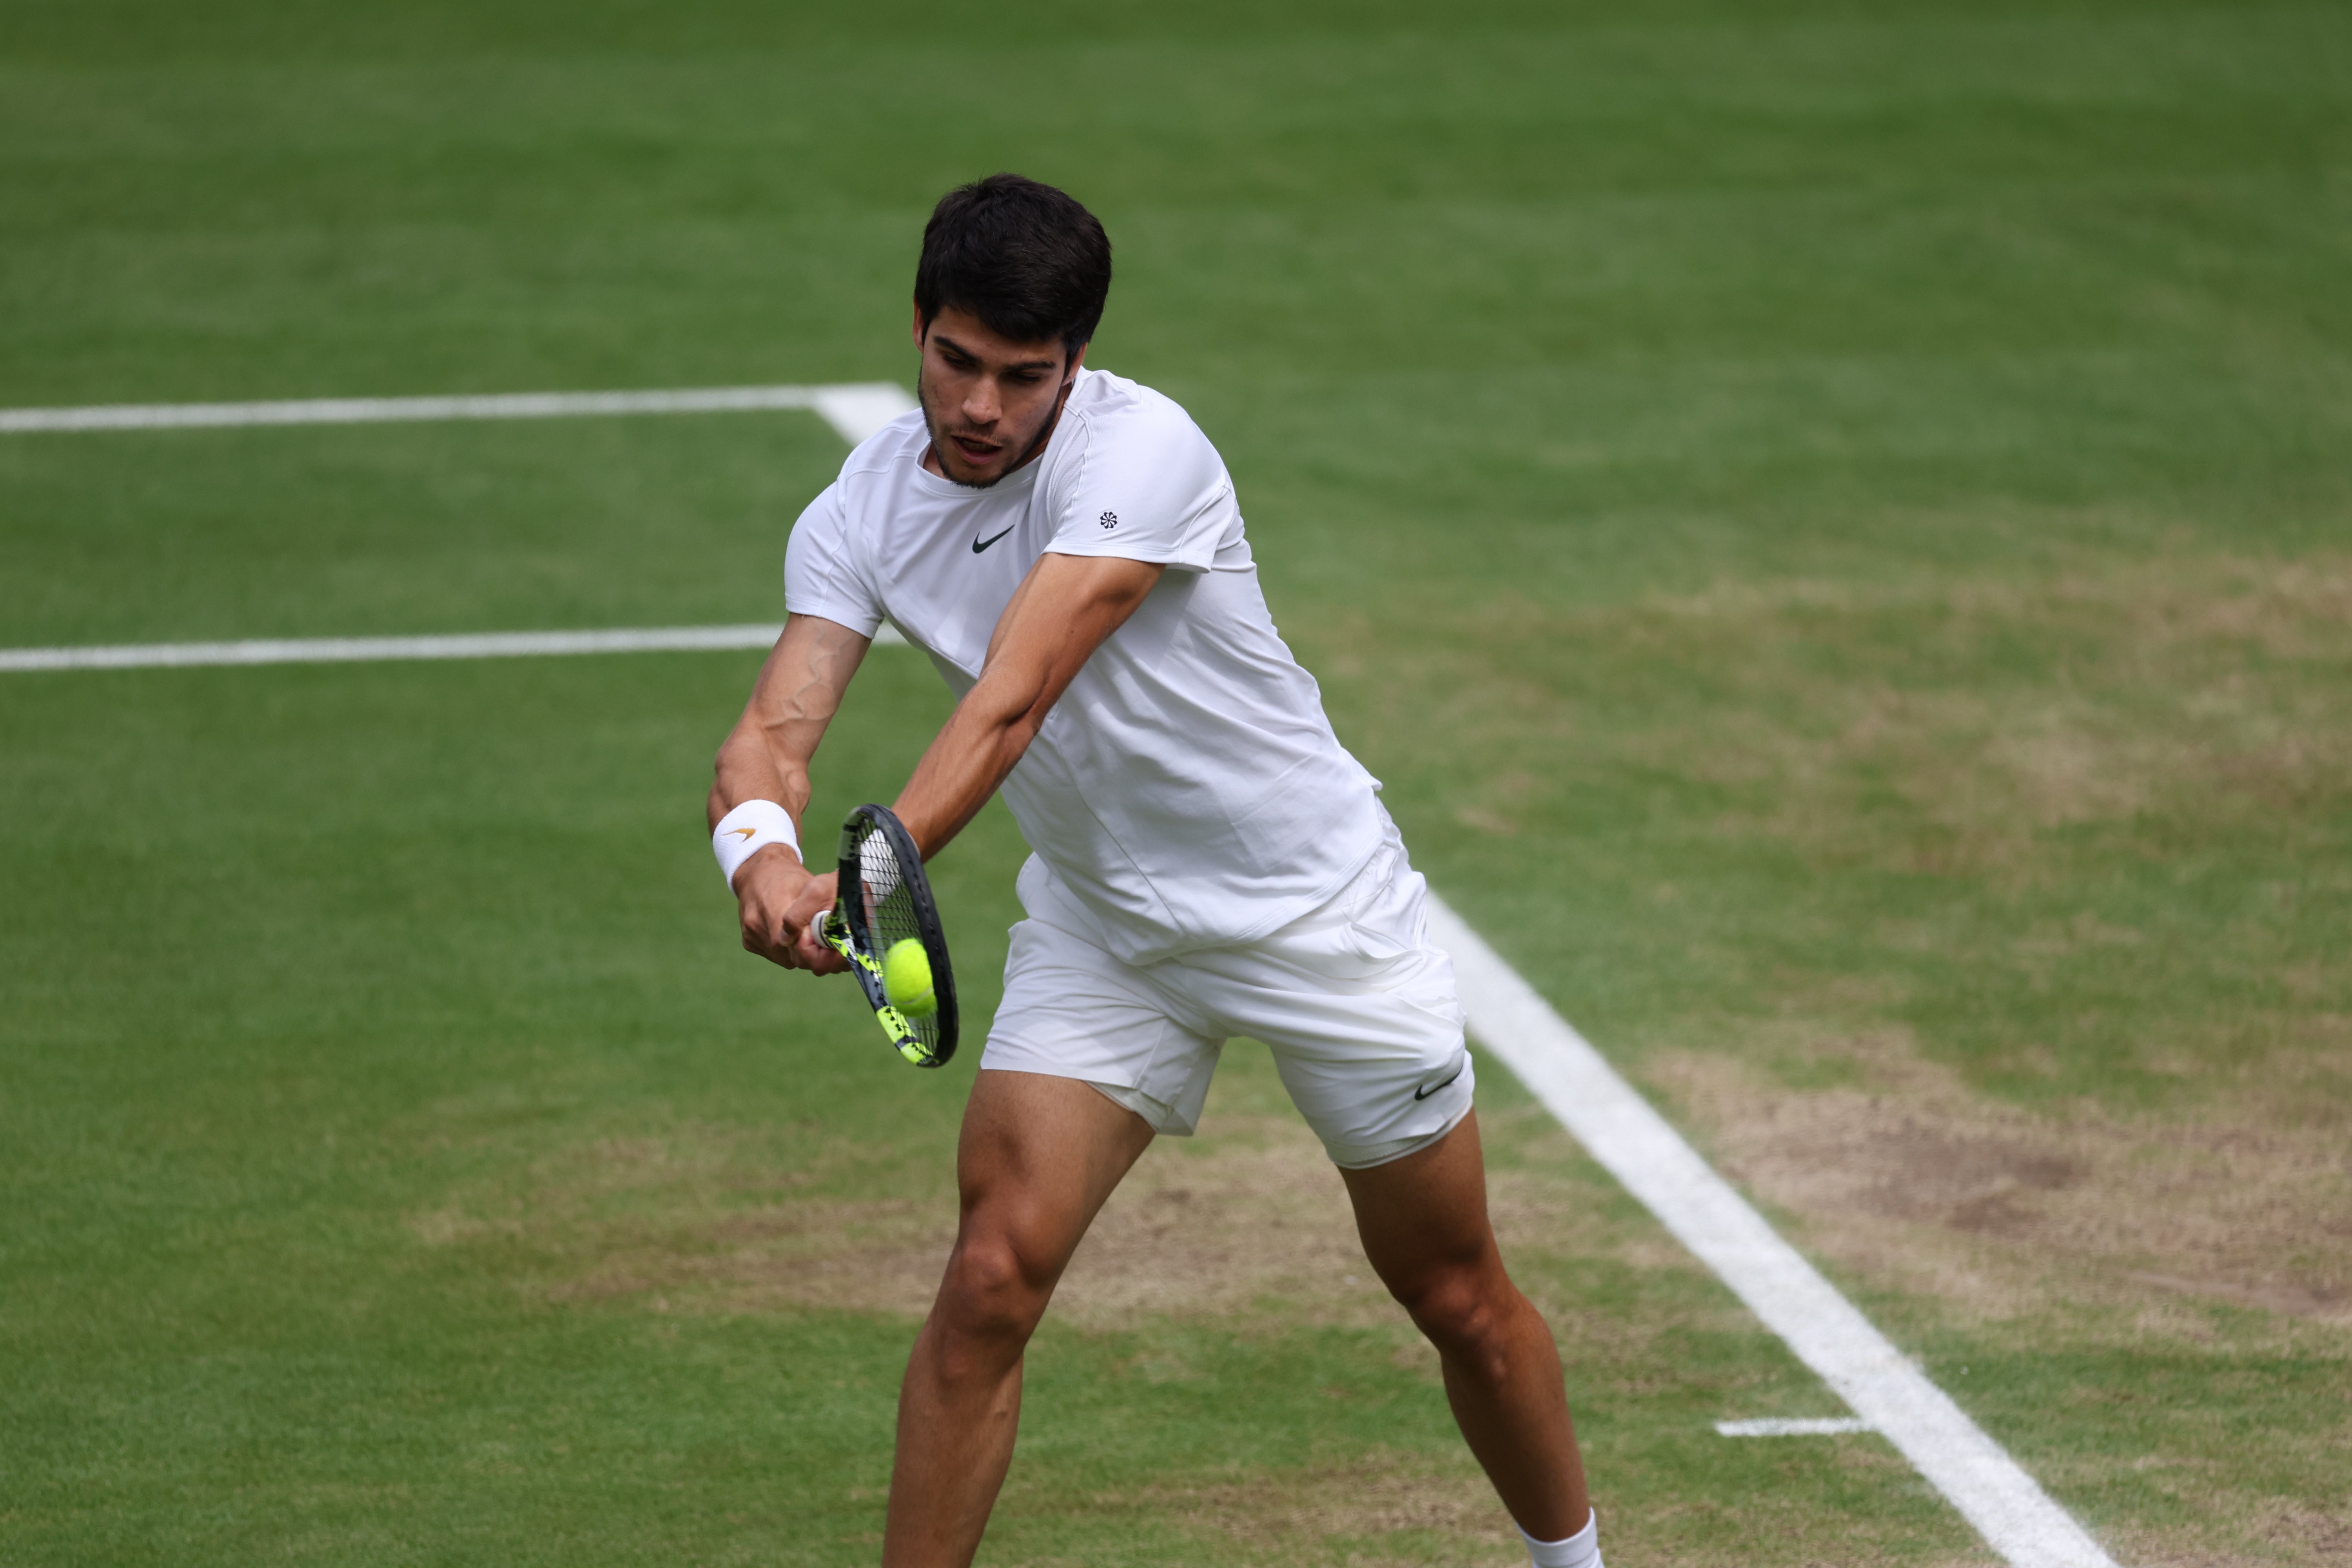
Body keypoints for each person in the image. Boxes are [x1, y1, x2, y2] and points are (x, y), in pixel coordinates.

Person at [707, 173, 1600, 1568]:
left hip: (1315, 914)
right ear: (919, 328)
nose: (982, 408)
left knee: (1452, 1291)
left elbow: (1017, 692)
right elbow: (774, 727)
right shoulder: (862, 507)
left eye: (1024, 375)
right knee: (991, 1278)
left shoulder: (1145, 456)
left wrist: (872, 871)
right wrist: (758, 853)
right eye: (956, 362)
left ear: (1078, 366)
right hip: (1109, 931)